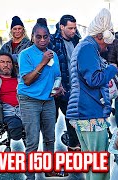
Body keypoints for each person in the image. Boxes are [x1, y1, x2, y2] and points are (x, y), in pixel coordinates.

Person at [66, 8, 117, 180]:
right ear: (100, 37)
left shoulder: (85, 47)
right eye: (105, 44)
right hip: (90, 114)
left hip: (86, 113)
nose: (105, 48)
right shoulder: (88, 48)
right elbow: (94, 79)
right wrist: (111, 69)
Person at [17, 18, 64, 179]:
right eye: (39, 37)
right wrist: (43, 62)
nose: (42, 40)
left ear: (49, 37)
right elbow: (28, 80)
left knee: (50, 138)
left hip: (48, 100)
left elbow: (57, 75)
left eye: (45, 36)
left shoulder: (54, 55)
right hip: (29, 99)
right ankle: (30, 175)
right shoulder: (25, 55)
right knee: (33, 140)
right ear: (32, 37)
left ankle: (49, 169)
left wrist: (59, 87)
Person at [49, 14, 81, 151]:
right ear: (61, 26)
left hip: (71, 88)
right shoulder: (52, 41)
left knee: (73, 121)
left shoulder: (77, 41)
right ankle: (49, 157)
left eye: (74, 28)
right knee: (50, 123)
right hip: (54, 88)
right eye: (70, 28)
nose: (73, 31)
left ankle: (73, 150)